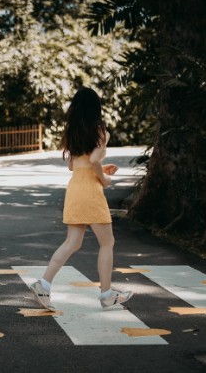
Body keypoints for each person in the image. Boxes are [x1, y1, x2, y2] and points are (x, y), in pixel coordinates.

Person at [30, 87, 133, 311]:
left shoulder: (73, 131)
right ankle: (106, 294)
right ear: (96, 108)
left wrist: (100, 168)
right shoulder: (99, 131)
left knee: (72, 242)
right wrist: (104, 177)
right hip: (91, 192)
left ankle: (43, 285)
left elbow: (74, 166)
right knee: (107, 242)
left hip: (76, 188)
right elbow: (94, 159)